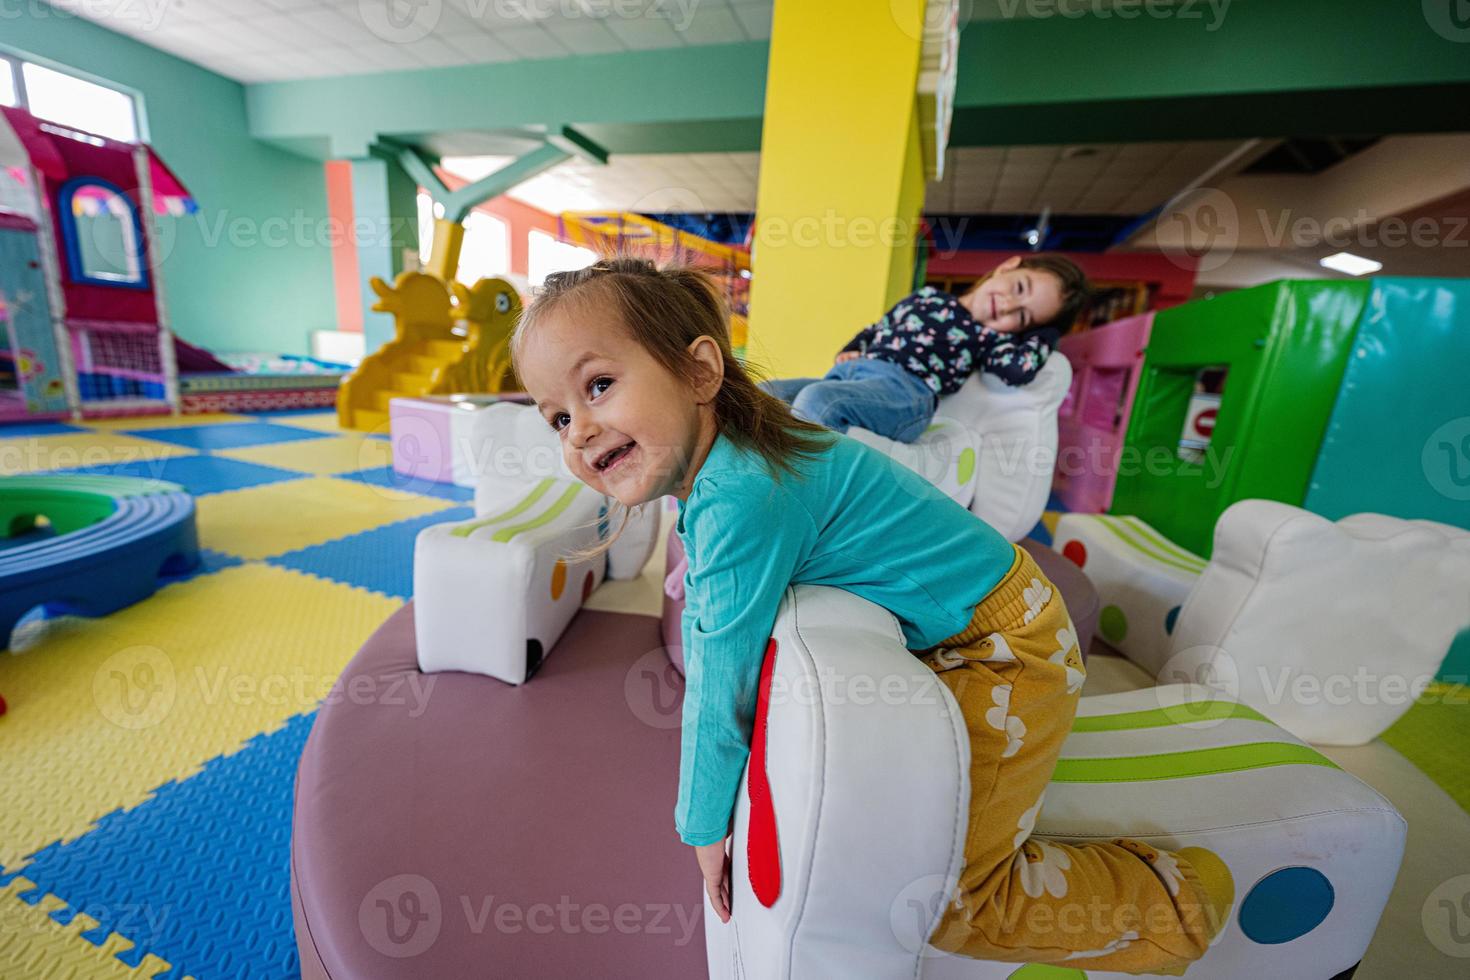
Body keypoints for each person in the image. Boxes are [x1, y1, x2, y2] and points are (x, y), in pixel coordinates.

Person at [510, 258, 1226, 972]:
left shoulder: (742, 491)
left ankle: (1180, 903)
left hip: (1010, 644)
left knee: (956, 904)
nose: (578, 431)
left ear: (700, 373)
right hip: (976, 621)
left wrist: (700, 825)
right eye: (559, 417)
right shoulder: (731, 458)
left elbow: (718, 679)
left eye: (599, 385)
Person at [762, 254, 1089, 443]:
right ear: (1008, 266)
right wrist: (852, 348)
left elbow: (1019, 369)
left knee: (820, 401)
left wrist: (1045, 332)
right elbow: (879, 328)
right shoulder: (927, 296)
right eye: (1019, 288)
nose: (1007, 306)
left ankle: (803, 501)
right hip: (851, 376)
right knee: (764, 392)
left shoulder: (988, 337)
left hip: (906, 394)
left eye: (1022, 316)